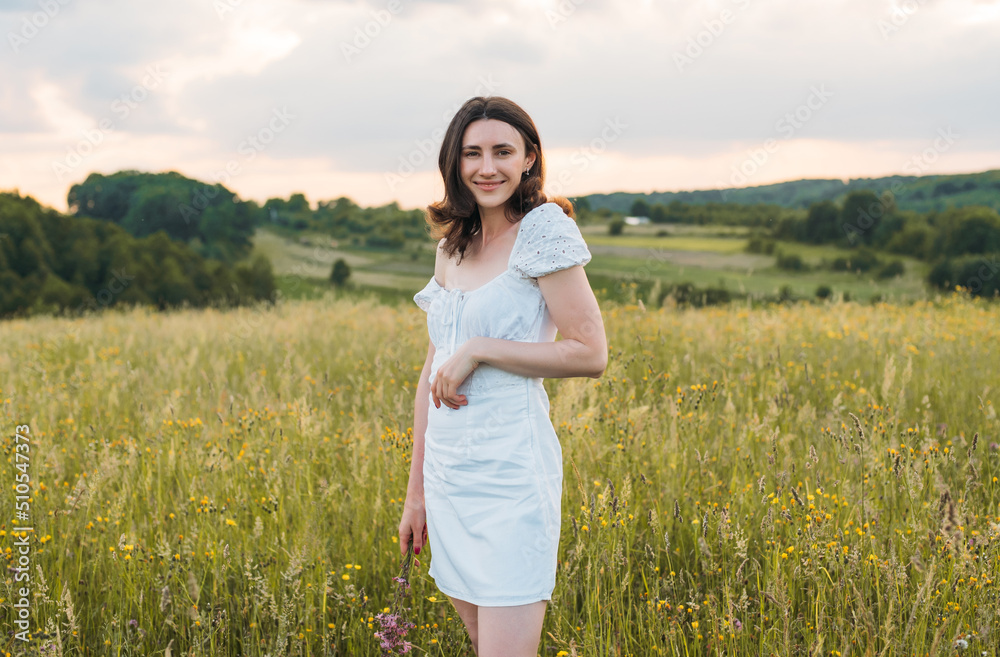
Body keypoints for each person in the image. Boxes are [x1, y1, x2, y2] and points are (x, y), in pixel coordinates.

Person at [399, 96, 607, 657]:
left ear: (529, 158)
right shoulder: (453, 245)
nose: (486, 167)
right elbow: (431, 370)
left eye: (502, 151)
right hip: (448, 479)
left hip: (511, 477)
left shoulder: (544, 230)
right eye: (472, 153)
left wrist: (482, 350)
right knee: (478, 641)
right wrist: (415, 493)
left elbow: (590, 353)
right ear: (454, 163)